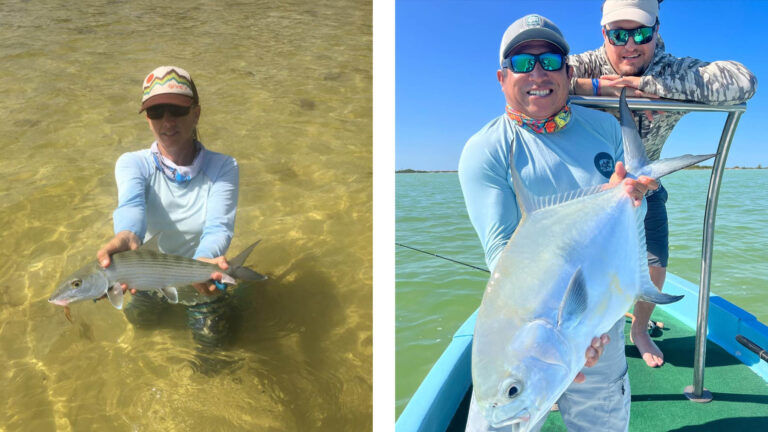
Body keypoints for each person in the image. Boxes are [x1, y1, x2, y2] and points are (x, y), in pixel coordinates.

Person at [459, 14, 657, 431]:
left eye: (549, 61)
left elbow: (622, 224)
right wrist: (569, 336)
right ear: (501, 77)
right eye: (520, 62)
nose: (536, 73)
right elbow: (503, 257)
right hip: (532, 316)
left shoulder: (604, 127)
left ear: (568, 72)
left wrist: (630, 199)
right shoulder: (486, 150)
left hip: (600, 318)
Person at [568, 0, 757, 368]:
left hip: (648, 183)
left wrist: (650, 86)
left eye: (641, 32)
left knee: (655, 261)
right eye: (618, 34)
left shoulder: (669, 68)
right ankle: (577, 340)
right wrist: (593, 86)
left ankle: (639, 328)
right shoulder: (589, 63)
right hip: (591, 186)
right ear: (603, 33)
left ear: (657, 30)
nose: (630, 44)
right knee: (578, 269)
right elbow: (535, 80)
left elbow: (744, 80)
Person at [96, 65, 240, 358]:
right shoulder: (132, 163)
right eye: (156, 112)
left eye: (177, 111)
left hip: (199, 278)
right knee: (141, 322)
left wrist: (202, 264)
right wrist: (126, 235)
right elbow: (132, 206)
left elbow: (218, 227)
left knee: (214, 345)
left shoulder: (224, 167)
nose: (167, 121)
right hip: (147, 277)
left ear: (196, 113)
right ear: (147, 118)